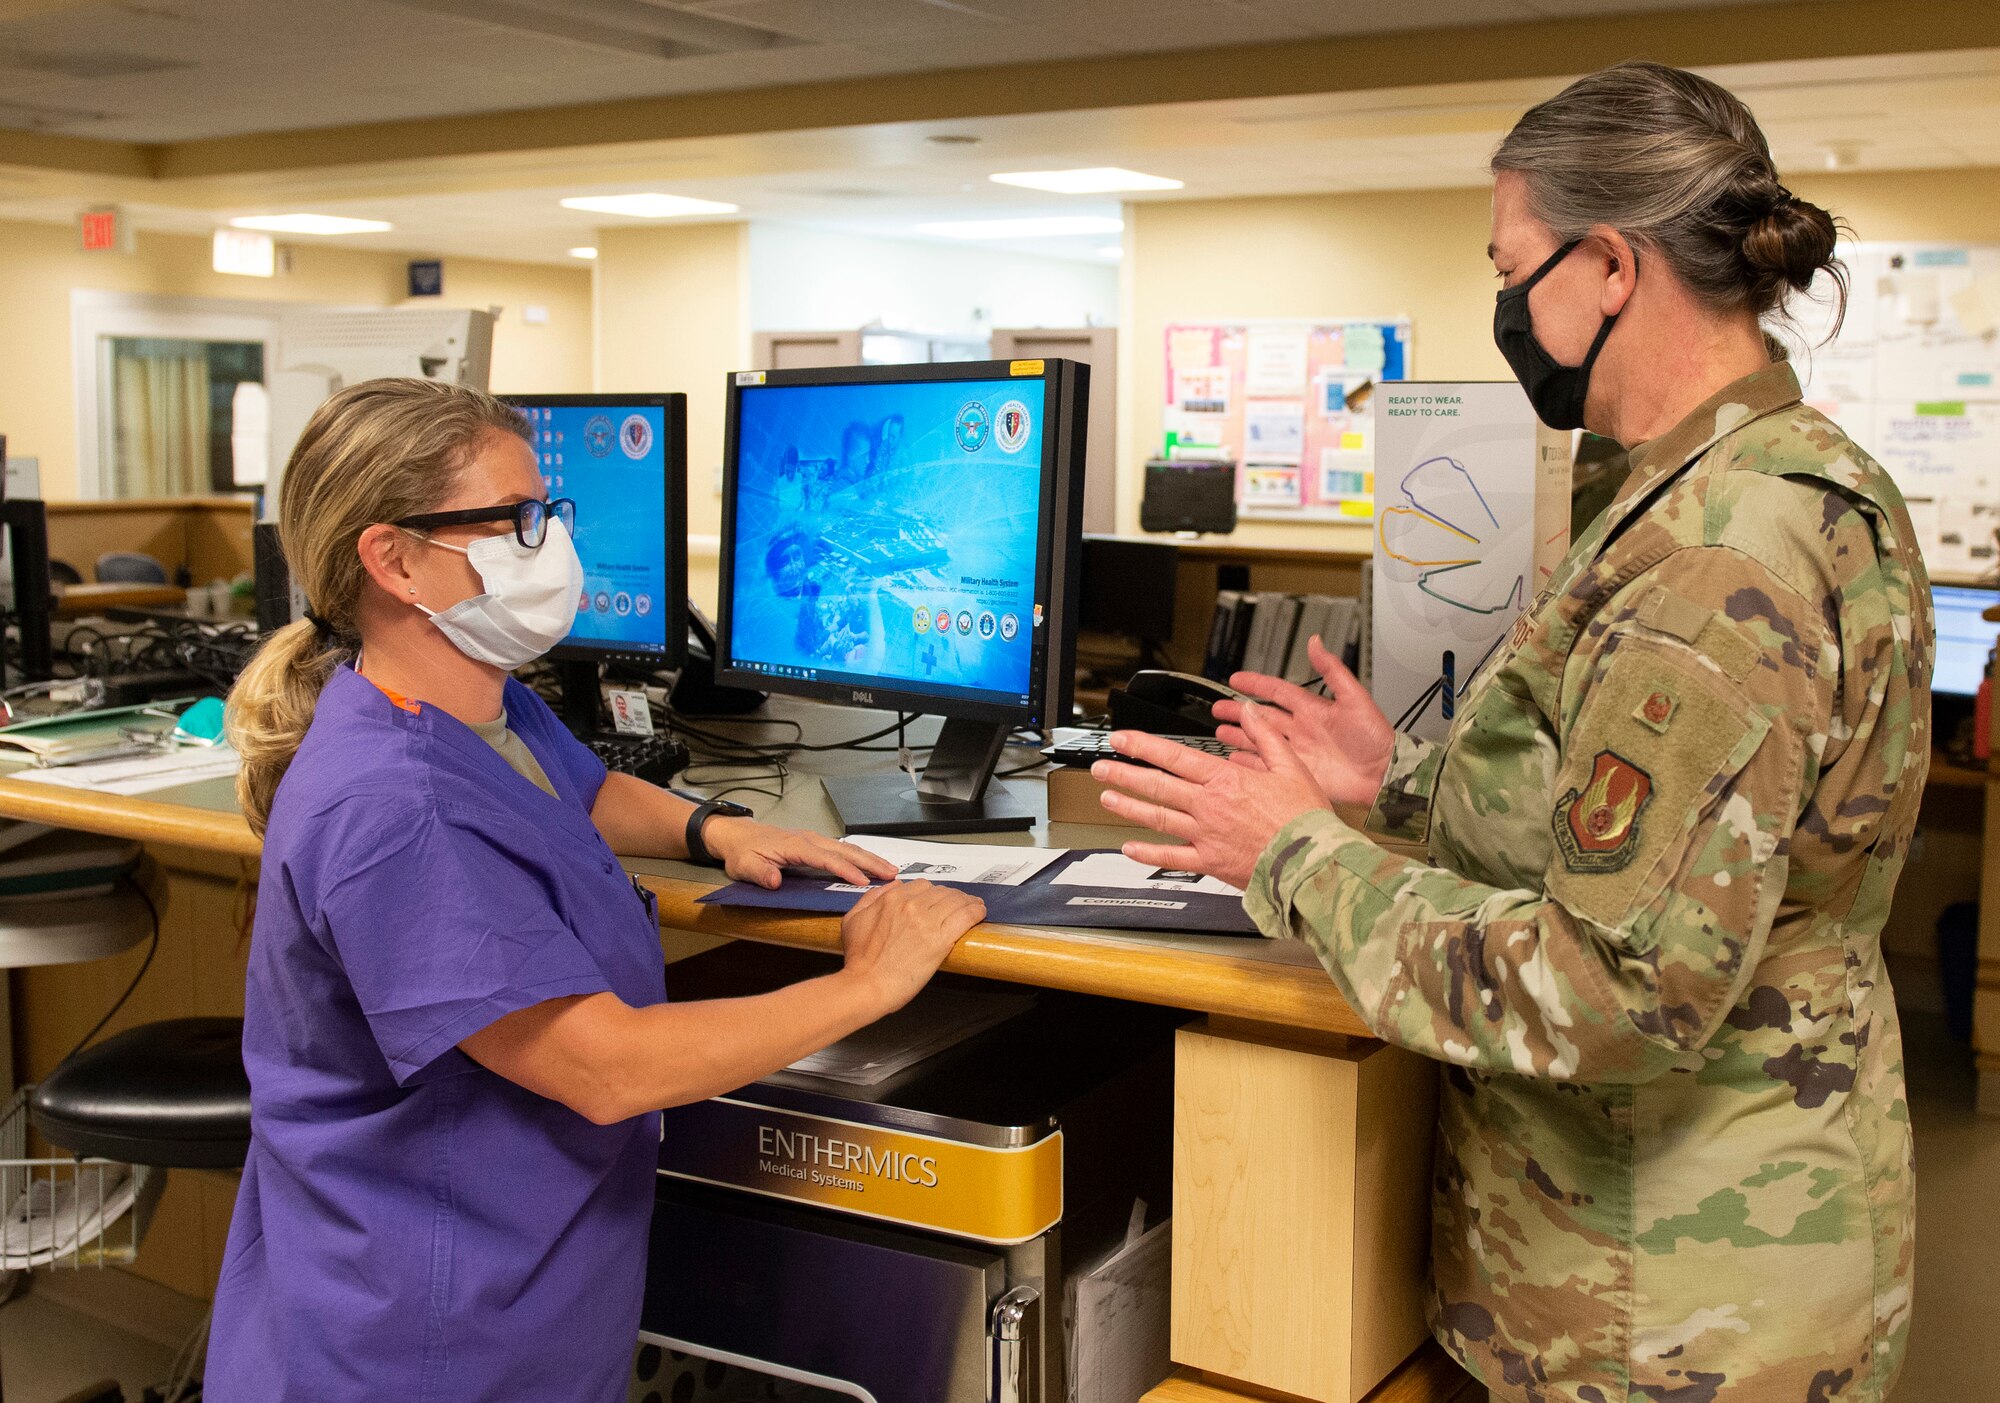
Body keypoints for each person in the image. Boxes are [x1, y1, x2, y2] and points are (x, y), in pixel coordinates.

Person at [1093, 62, 1929, 1403]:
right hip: (1643, 1273)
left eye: (1513, 266)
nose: (1504, 308)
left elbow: (1613, 988)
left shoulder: (1725, 554)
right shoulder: (1723, 483)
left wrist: (1299, 852)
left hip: (1666, 1312)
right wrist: (1402, 786)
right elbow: (1641, 831)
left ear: (1608, 266)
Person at [209, 378, 985, 1402]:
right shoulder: (394, 812)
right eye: (516, 522)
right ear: (392, 559)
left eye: (548, 513)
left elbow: (585, 787)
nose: (549, 544)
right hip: (423, 1335)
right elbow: (601, 1066)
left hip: (507, 1281)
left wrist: (715, 828)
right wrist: (866, 984)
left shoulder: (476, 704)